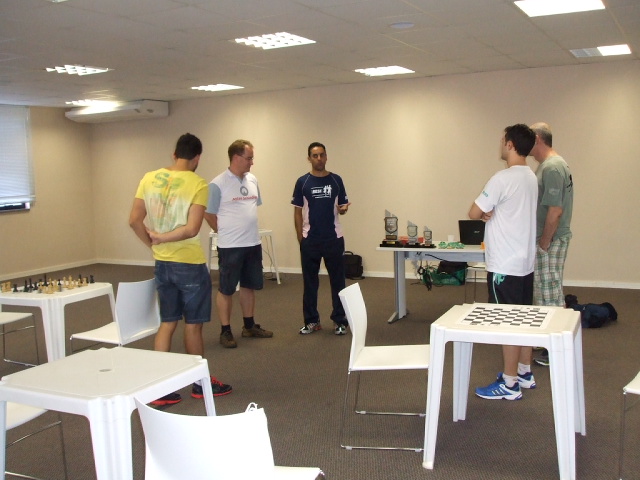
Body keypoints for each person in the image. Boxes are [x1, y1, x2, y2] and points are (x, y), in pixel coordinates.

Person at [129, 133, 232, 405]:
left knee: (167, 323)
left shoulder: (149, 178)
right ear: (197, 158)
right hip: (189, 264)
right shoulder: (198, 183)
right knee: (193, 326)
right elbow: (192, 229)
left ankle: (159, 389)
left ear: (174, 154)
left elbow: (134, 220)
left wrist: (154, 243)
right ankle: (199, 384)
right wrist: (162, 238)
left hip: (162, 263)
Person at [469, 124, 538, 400]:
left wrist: (487, 212)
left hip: (504, 266)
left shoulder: (502, 178)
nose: (501, 144)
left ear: (510, 144)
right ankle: (524, 372)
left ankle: (509, 384)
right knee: (523, 319)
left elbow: (474, 212)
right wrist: (492, 210)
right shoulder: (531, 177)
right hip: (524, 263)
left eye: (502, 140)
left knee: (507, 323)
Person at [205, 139, 272, 349]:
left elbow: (251, 208)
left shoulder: (253, 179)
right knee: (226, 289)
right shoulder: (218, 184)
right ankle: (225, 331)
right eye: (249, 158)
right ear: (236, 157)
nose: (252, 162)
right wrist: (224, 231)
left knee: (248, 285)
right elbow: (209, 214)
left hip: (252, 243)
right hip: (230, 246)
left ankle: (249, 326)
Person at [292, 142, 351, 335]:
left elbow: (342, 207)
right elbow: (298, 212)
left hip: (334, 239)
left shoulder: (336, 180)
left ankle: (340, 321)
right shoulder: (303, 182)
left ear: (326, 157)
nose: (319, 159)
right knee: (310, 283)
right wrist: (301, 238)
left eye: (322, 155)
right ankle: (312, 321)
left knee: (338, 282)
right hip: (310, 241)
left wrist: (343, 209)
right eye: (315, 155)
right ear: (309, 158)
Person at [529, 122, 574, 366]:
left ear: (537, 138)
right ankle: (549, 340)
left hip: (551, 238)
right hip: (548, 237)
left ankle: (556, 350)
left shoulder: (553, 167)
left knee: (550, 293)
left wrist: (545, 241)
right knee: (545, 290)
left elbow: (555, 211)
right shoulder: (548, 166)